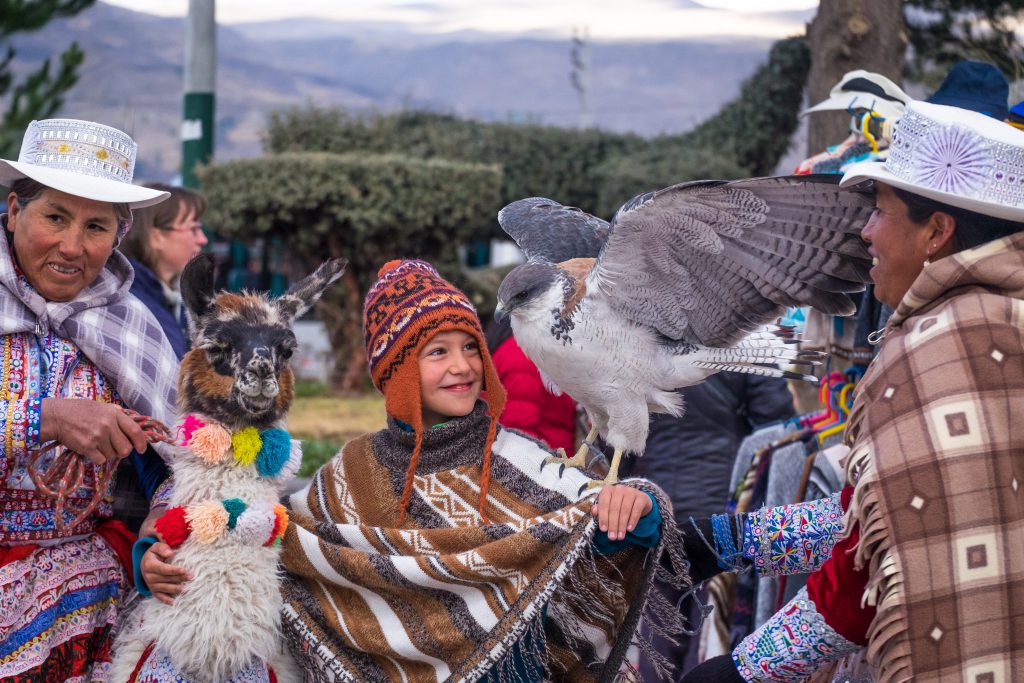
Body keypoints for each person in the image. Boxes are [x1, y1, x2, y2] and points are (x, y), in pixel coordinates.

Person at [681, 100, 1024, 681]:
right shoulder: (1000, 322)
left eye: (881, 212)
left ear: (937, 232)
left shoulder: (941, 347)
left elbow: (871, 570)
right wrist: (727, 539)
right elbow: (883, 518)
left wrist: (744, 669)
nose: (864, 232)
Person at [212, 259, 683, 681]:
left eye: (471, 346)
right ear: (395, 370)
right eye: (437, 352)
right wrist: (166, 544)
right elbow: (276, 540)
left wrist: (638, 508)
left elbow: (592, 539)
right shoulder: (349, 476)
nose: (463, 366)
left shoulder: (526, 460)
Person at [0, 119, 180, 680]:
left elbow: (181, 456)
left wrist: (161, 532)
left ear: (119, 234)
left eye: (96, 226)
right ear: (12, 211)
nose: (72, 246)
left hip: (91, 590)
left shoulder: (132, 327)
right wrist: (45, 416)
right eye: (55, 217)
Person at [118, 183, 208, 359]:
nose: (202, 239)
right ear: (155, 236)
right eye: (193, 228)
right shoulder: (131, 302)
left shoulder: (169, 298)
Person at [485, 314, 576, 453]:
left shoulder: (514, 349)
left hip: (544, 459)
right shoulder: (523, 356)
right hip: (541, 463)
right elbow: (518, 430)